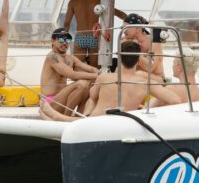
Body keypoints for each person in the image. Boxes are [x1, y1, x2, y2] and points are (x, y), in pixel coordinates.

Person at [40, 41, 180, 122]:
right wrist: (150, 107)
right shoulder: (145, 83)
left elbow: (93, 97)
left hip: (99, 120)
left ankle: (58, 116)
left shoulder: (105, 78)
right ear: (138, 61)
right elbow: (175, 100)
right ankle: (66, 117)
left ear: (119, 59)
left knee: (91, 105)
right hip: (121, 122)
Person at [64, 0, 126, 66]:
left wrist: (65, 38)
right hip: (93, 37)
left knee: (78, 65)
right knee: (94, 67)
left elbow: (66, 23)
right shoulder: (98, 1)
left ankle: (80, 79)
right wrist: (129, 19)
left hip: (80, 36)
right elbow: (117, 13)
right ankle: (93, 80)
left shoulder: (73, 1)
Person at [40, 28, 98, 115]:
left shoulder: (70, 58)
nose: (64, 43)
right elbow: (72, 75)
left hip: (63, 100)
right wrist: (98, 76)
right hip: (51, 102)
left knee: (89, 83)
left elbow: (91, 69)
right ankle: (66, 116)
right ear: (52, 41)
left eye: (67, 40)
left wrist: (99, 73)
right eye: (60, 40)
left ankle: (80, 113)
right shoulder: (52, 57)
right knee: (81, 84)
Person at [121, 13, 165, 81]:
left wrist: (134, 50)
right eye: (122, 27)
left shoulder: (152, 42)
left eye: (126, 27)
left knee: (139, 74)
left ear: (138, 28)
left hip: (157, 79)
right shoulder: (124, 41)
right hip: (136, 79)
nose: (123, 30)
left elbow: (151, 67)